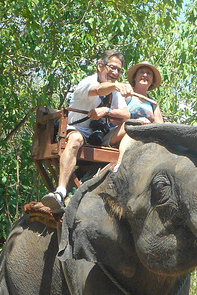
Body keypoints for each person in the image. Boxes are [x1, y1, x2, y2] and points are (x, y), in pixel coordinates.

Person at [41, 49, 132, 213]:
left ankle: (119, 170)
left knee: (132, 126)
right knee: (75, 139)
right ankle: (60, 191)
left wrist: (108, 111)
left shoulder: (114, 92)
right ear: (100, 65)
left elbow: (126, 114)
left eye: (119, 70)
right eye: (112, 67)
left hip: (100, 136)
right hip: (78, 130)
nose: (115, 72)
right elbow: (98, 90)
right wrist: (116, 86)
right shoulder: (87, 83)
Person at [116, 61, 164, 166]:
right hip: (122, 132)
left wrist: (148, 126)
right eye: (141, 72)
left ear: (152, 80)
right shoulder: (125, 94)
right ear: (135, 77)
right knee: (132, 133)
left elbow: (160, 125)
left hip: (145, 135)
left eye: (149, 73)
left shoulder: (153, 103)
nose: (145, 75)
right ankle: (119, 168)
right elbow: (115, 118)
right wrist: (138, 122)